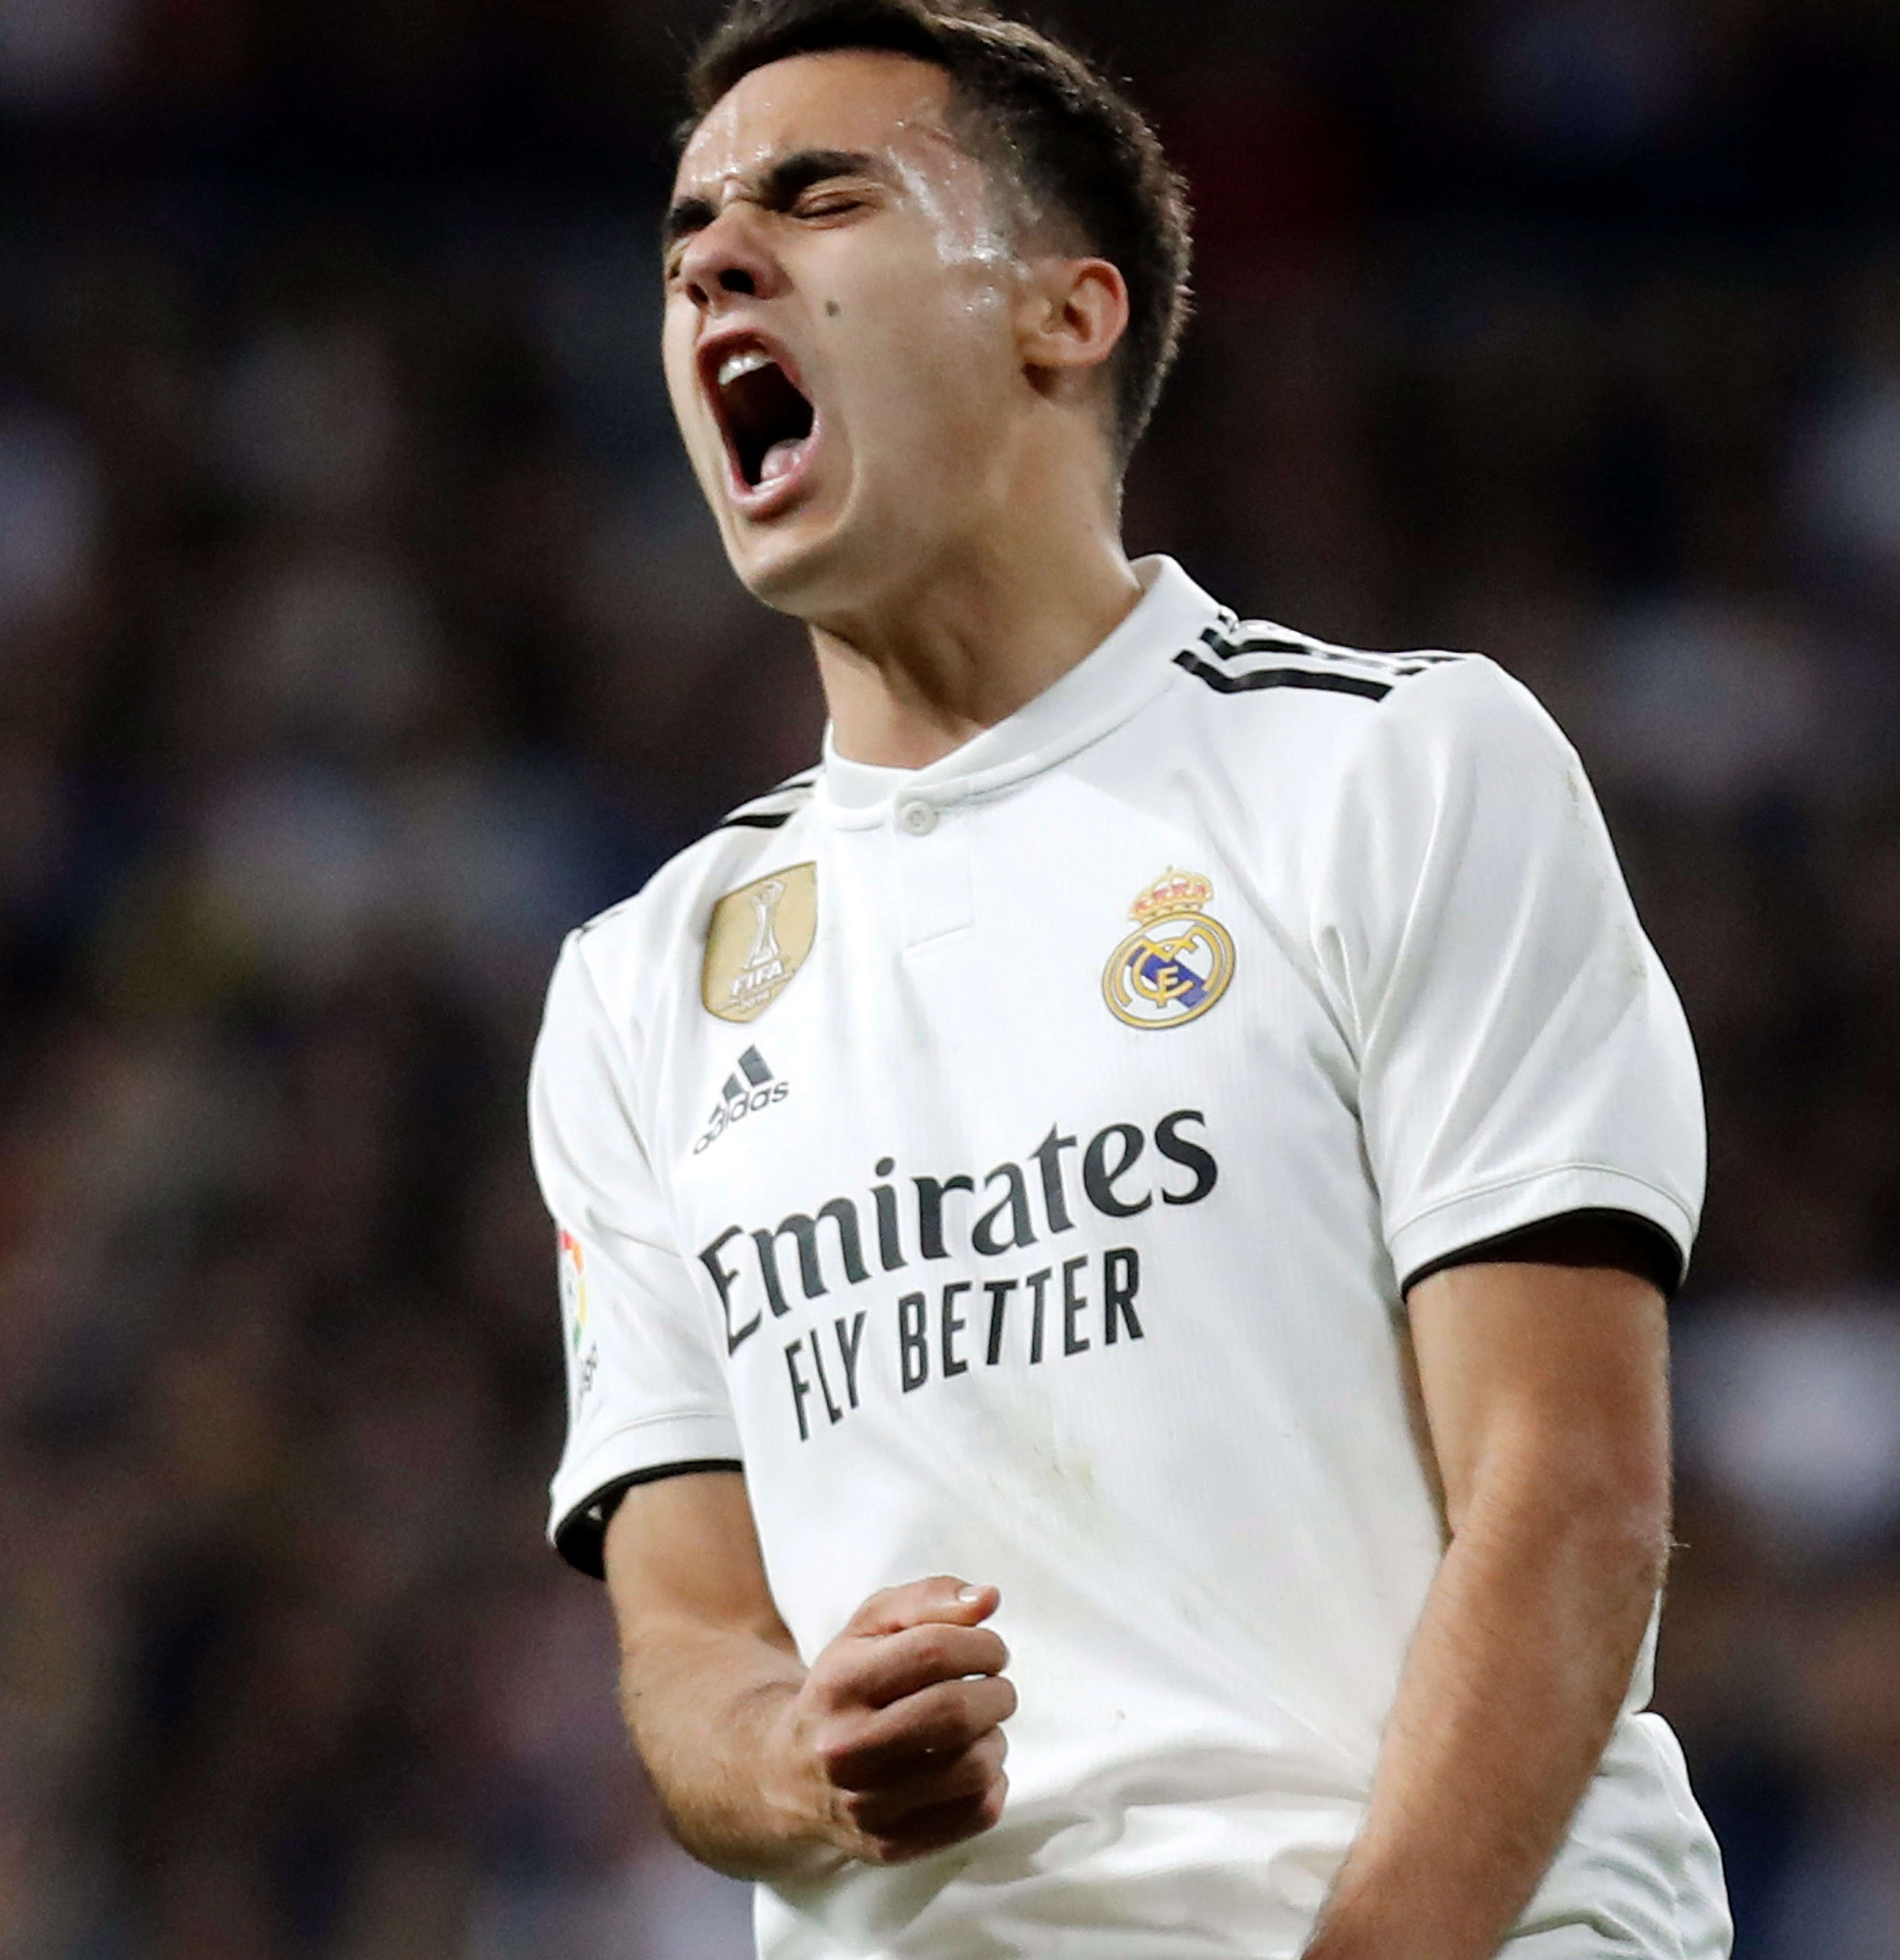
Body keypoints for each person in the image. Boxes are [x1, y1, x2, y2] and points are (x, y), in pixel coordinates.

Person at [530, 4, 1730, 1957]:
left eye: (819, 199)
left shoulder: (1396, 771)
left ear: (1063, 316)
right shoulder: (638, 991)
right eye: (686, 242)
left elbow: (1568, 1495)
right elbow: (690, 1649)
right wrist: (801, 1757)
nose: (712, 263)